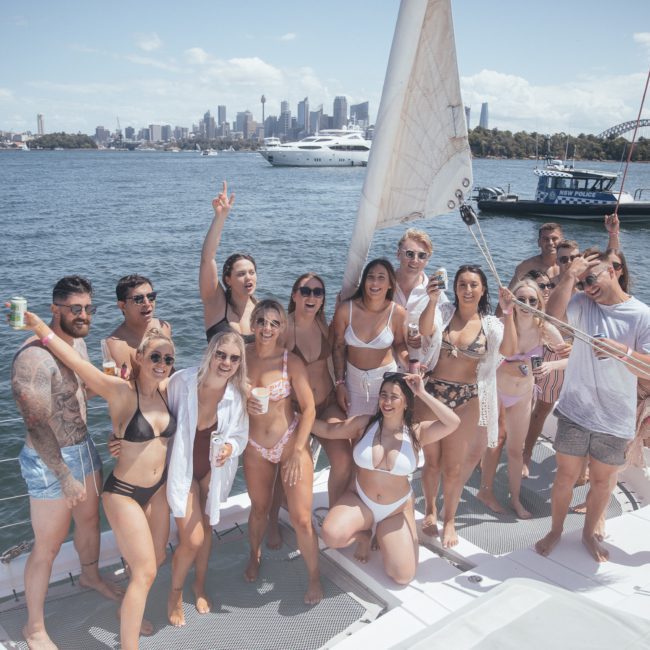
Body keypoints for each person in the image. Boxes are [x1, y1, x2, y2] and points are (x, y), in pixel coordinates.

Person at [23, 310, 176, 650]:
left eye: (168, 357)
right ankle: (129, 645)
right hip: (123, 494)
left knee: (158, 559)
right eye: (155, 356)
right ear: (138, 358)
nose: (162, 363)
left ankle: (128, 612)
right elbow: (81, 367)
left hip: (158, 491)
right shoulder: (122, 392)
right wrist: (40, 328)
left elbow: (209, 378)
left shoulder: (169, 389)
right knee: (146, 571)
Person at [11, 276, 121, 650]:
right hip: (50, 461)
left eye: (89, 308)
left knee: (90, 522)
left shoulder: (76, 343)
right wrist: (64, 476)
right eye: (76, 309)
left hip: (84, 447)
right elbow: (37, 424)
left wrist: (104, 384)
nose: (84, 315)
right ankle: (34, 627)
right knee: (49, 545)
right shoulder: (33, 358)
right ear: (54, 309)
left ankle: (90, 576)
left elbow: (76, 392)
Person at [535, 251, 650, 562]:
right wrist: (570, 276)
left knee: (601, 482)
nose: (587, 287)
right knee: (564, 478)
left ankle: (588, 533)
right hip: (575, 409)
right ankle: (556, 530)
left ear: (613, 271)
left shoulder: (641, 315)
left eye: (592, 278)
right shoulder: (583, 303)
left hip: (615, 418)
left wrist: (621, 352)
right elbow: (552, 318)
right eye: (583, 282)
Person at [313, 373, 460, 584]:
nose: (387, 401)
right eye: (383, 395)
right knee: (331, 536)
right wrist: (292, 416)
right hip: (360, 500)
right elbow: (327, 430)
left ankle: (382, 531)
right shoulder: (365, 424)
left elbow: (453, 422)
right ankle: (364, 535)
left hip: (395, 509)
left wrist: (421, 392)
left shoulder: (417, 432)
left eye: (394, 396)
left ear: (406, 402)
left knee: (403, 576)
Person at [418, 265, 517, 547]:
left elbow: (509, 350)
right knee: (432, 462)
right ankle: (429, 510)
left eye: (474, 284)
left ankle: (449, 520)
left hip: (467, 400)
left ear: (483, 289)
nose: (468, 289)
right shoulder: (443, 312)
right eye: (462, 284)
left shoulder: (492, 324)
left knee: (453, 467)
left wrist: (508, 312)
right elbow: (425, 331)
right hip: (433, 395)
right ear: (456, 288)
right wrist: (432, 299)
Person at [165, 331, 249, 626]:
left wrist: (230, 447)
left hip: (211, 472)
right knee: (193, 538)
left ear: (240, 363)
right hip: (183, 470)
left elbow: (240, 436)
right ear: (210, 353)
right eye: (221, 354)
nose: (226, 362)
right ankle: (175, 594)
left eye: (234, 358)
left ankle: (198, 584)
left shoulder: (236, 397)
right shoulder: (182, 382)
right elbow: (157, 415)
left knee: (208, 530)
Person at [244, 299, 322, 604]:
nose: (267, 328)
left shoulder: (291, 362)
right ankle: (254, 555)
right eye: (262, 321)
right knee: (258, 509)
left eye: (274, 323)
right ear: (252, 324)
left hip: (290, 442)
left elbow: (309, 408)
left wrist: (296, 451)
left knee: (302, 519)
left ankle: (314, 578)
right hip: (254, 447)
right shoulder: (241, 357)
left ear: (282, 328)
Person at [477, 280, 563, 518]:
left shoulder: (545, 329)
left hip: (523, 396)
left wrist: (551, 365)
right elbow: (483, 359)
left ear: (540, 302)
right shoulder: (502, 325)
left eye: (532, 300)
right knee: (492, 445)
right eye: (520, 299)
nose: (526, 304)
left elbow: (572, 355)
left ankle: (515, 499)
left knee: (516, 451)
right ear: (511, 301)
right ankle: (485, 490)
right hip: (497, 392)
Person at [286, 273, 350, 505]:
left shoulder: (323, 326)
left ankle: (334, 509)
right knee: (295, 471)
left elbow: (340, 348)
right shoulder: (282, 330)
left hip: (326, 404)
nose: (311, 296)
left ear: (322, 299)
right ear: (295, 295)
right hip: (295, 411)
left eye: (317, 292)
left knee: (343, 460)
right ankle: (276, 518)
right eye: (305, 291)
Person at [332, 259, 409, 416]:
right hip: (352, 384)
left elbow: (400, 344)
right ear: (364, 281)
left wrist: (410, 362)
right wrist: (340, 383)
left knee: (382, 434)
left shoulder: (397, 312)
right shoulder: (346, 309)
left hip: (386, 385)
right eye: (370, 277)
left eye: (381, 277)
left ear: (389, 284)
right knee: (354, 435)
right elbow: (338, 347)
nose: (375, 282)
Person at [200, 180, 257, 343]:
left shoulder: (261, 309)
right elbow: (207, 259)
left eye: (252, 272)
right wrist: (220, 217)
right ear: (228, 280)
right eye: (241, 274)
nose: (248, 277)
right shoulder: (215, 303)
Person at [393, 228, 448, 363]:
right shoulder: (382, 285)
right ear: (398, 254)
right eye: (410, 254)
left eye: (422, 256)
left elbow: (441, 322)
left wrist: (423, 336)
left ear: (427, 260)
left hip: (417, 365)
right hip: (384, 363)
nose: (415, 260)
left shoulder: (433, 290)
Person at [106, 274, 172, 379]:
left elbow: (171, 370)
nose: (147, 303)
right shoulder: (116, 344)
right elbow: (127, 388)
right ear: (123, 306)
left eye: (151, 297)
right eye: (138, 299)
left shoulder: (164, 327)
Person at [508, 223, 564, 287]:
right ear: (539, 242)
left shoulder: (570, 265)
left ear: (562, 241)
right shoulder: (526, 266)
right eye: (545, 239)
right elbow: (510, 293)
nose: (550, 242)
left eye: (554, 238)